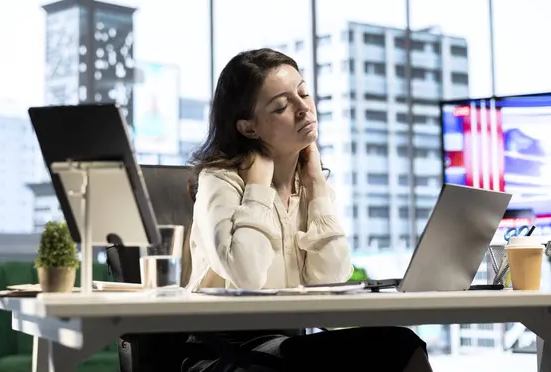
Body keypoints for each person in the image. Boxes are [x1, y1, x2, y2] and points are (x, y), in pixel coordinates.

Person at [182, 48, 433, 372]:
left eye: (303, 93)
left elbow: (331, 279)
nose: (304, 109)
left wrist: (316, 189)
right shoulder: (219, 181)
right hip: (221, 353)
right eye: (283, 106)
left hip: (286, 344)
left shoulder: (312, 185)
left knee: (403, 345)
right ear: (248, 128)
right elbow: (247, 276)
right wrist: (258, 187)